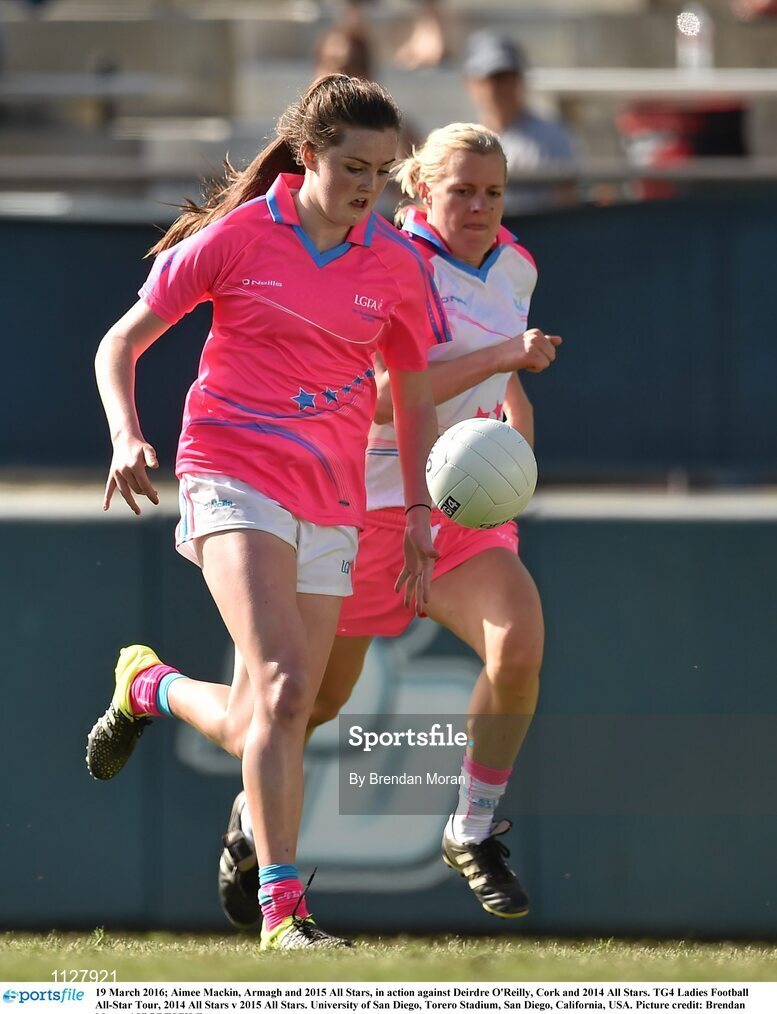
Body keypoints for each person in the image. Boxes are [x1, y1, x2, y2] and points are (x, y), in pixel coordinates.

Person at [112, 122, 561, 931]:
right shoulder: (389, 256)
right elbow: (394, 396)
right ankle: (163, 700)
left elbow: (492, 379)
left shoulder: (514, 264)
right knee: (294, 707)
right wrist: (502, 359)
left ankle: (470, 827)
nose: (479, 207)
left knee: (518, 642)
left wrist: (511, 440)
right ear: (420, 188)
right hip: (354, 497)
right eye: (460, 189)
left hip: (448, 513)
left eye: (492, 192)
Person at [85, 73, 449, 951]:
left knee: (269, 717)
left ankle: (149, 686)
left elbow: (410, 388)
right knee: (287, 689)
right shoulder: (242, 237)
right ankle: (285, 913)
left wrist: (418, 510)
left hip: (332, 497)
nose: (368, 185)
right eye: (353, 166)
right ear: (307, 156)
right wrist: (126, 434)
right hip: (228, 471)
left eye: (383, 171)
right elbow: (120, 343)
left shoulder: (395, 266)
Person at [463, 30, 577, 214]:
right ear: (470, 83)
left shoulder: (552, 136)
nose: (497, 88)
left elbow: (566, 201)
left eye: (505, 77)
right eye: (489, 79)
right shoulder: (462, 140)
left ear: (520, 80)